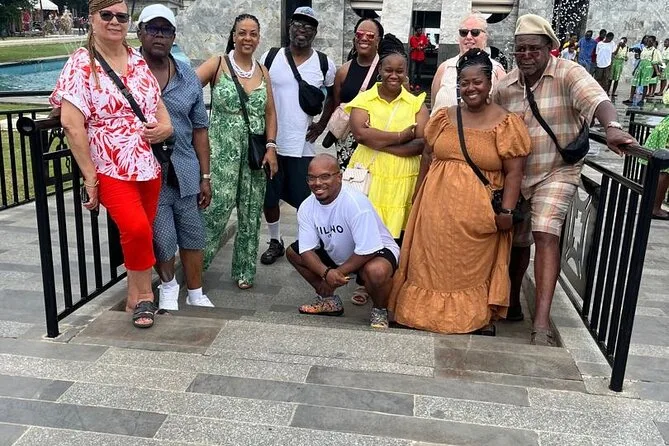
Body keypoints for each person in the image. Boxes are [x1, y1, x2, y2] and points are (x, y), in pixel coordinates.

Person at [494, 14, 635, 346]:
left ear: (549, 48)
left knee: (546, 230)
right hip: (518, 174)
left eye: (533, 48)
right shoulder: (505, 87)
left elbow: (597, 99)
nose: (526, 55)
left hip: (558, 169)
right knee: (517, 240)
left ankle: (541, 321)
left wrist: (612, 128)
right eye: (520, 49)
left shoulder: (569, 73)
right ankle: (513, 299)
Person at [389, 49, 531, 334]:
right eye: (464, 83)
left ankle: (471, 317)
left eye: (477, 82)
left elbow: (515, 172)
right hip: (434, 209)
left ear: (489, 83)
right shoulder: (443, 117)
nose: (470, 88)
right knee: (429, 264)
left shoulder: (506, 123)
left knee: (470, 267)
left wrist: (507, 210)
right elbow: (427, 157)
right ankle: (421, 313)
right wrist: (417, 197)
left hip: (478, 217)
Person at [50, 0, 173, 328]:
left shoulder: (136, 59)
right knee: (136, 228)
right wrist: (89, 176)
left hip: (146, 163)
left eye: (121, 16)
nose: (115, 21)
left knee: (140, 232)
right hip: (108, 165)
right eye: (106, 15)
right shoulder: (81, 63)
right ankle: (145, 295)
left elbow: (157, 104)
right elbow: (71, 123)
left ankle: (133, 296)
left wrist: (166, 127)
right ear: (91, 19)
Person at [137, 5, 214, 311]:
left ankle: (195, 291)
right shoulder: (129, 74)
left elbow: (200, 129)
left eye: (166, 30)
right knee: (162, 235)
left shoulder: (187, 77)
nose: (159, 36)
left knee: (193, 233)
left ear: (173, 36)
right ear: (140, 32)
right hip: (148, 171)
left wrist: (205, 176)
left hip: (184, 169)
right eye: (153, 29)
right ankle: (168, 286)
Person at [196, 14, 278, 289]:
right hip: (222, 152)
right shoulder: (218, 64)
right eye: (242, 32)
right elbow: (188, 91)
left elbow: (270, 112)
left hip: (254, 154)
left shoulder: (263, 71)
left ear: (258, 38)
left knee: (251, 211)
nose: (247, 38)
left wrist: (271, 146)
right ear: (233, 35)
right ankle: (196, 266)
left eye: (253, 33)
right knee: (216, 209)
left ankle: (245, 271)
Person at [258, 6, 336, 266]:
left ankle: (307, 244)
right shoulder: (271, 57)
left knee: (307, 198)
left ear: (315, 32)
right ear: (289, 27)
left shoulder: (324, 63)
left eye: (309, 26)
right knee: (270, 197)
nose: (303, 30)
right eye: (298, 24)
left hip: (302, 145)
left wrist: (321, 124)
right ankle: (275, 240)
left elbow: (333, 95)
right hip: (271, 143)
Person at [287, 154, 400, 328]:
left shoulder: (355, 203)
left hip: (374, 251)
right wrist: (326, 273)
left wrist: (336, 272)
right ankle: (328, 300)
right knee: (293, 253)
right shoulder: (307, 206)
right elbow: (306, 250)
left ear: (339, 177)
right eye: (312, 178)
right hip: (339, 252)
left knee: (376, 271)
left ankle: (380, 309)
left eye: (325, 176)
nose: (317, 183)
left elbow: (368, 249)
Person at [346, 34, 429, 245]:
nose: (394, 75)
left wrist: (377, 141)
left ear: (406, 73)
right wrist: (401, 136)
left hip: (403, 179)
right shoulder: (364, 99)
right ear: (380, 71)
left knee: (398, 236)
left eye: (399, 71)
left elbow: (421, 144)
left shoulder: (416, 104)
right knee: (366, 233)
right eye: (388, 70)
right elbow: (360, 135)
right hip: (370, 176)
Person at [332, 18, 383, 169]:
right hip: (346, 144)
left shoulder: (386, 71)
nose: (364, 38)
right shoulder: (343, 71)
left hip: (376, 142)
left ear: (378, 40)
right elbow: (336, 105)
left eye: (370, 35)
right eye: (359, 34)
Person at [431, 11, 506, 114]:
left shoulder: (497, 71)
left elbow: (503, 111)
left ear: (485, 36)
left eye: (475, 32)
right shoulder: (445, 68)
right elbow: (433, 104)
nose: (469, 37)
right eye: (464, 32)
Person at [623, 36, 663, 106]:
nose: (648, 42)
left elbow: (654, 62)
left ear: (653, 42)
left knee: (645, 84)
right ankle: (630, 99)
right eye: (648, 41)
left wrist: (657, 72)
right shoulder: (644, 49)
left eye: (650, 41)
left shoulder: (655, 51)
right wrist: (635, 69)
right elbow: (640, 59)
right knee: (634, 82)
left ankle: (642, 100)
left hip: (648, 68)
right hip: (641, 66)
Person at [643, 115, 669, 220]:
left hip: (665, 127)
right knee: (665, 171)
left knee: (658, 167)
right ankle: (655, 208)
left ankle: (650, 205)